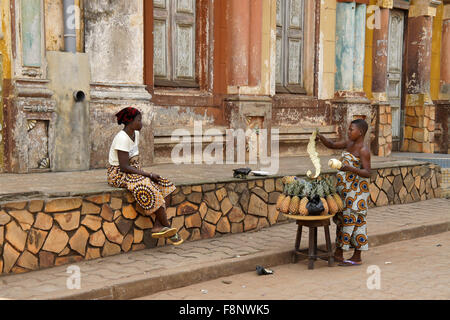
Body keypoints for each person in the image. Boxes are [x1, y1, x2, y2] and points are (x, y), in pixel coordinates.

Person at [107, 107, 183, 245]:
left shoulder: (135, 134)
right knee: (147, 185)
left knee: (166, 185)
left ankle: (158, 225)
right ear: (130, 121)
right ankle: (168, 226)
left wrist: (148, 175)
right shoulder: (122, 138)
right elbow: (124, 167)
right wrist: (148, 174)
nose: (141, 123)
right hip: (119, 174)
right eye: (139, 120)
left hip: (132, 171)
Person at [317, 119, 371, 266]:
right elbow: (332, 145)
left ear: (360, 132)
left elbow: (367, 172)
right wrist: (321, 137)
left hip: (357, 193)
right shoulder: (349, 144)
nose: (348, 132)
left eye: (351, 130)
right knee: (342, 220)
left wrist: (349, 168)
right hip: (344, 191)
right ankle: (339, 253)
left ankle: (357, 256)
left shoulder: (363, 150)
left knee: (355, 222)